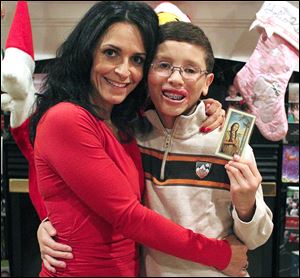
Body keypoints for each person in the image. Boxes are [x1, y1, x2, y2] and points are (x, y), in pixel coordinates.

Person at [36, 18, 273, 277]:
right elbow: (96, 195)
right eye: (163, 65)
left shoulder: (230, 136)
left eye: (191, 70)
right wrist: (50, 223)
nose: (175, 79)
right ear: (147, 74)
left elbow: (256, 239)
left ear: (207, 83)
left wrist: (247, 206)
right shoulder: (129, 132)